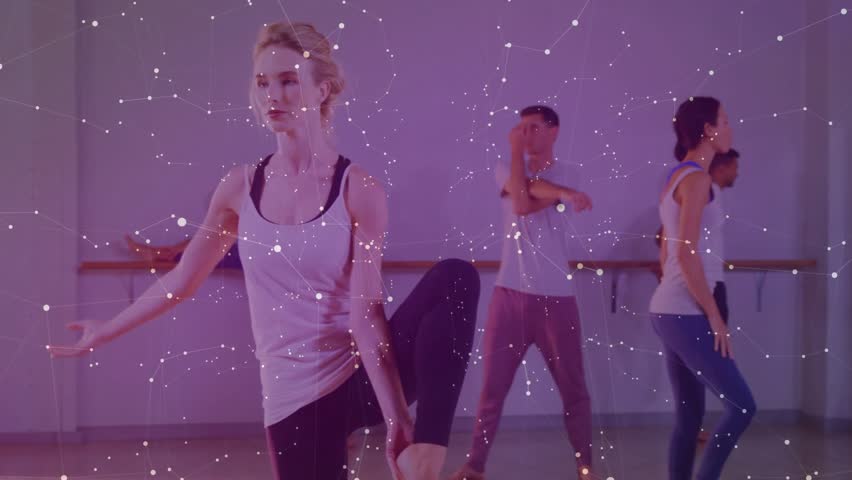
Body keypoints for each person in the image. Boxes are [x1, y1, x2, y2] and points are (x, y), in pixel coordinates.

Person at [52, 21, 481, 480]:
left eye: (288, 81)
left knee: (455, 277)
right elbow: (182, 281)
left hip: (355, 380)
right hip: (293, 399)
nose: (271, 95)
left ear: (323, 90)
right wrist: (107, 330)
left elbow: (365, 312)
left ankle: (428, 458)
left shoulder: (359, 190)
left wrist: (399, 419)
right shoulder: (238, 187)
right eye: (262, 83)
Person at [450, 105, 594, 480]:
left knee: (573, 389)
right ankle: (475, 465)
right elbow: (521, 201)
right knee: (492, 390)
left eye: (534, 128)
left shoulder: (571, 172)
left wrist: (558, 188)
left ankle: (586, 467)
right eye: (520, 128)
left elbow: (530, 195)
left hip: (557, 300)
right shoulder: (506, 168)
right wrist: (562, 191)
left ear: (554, 131)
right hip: (508, 297)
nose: (525, 135)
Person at [650, 97, 755, 480]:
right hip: (685, 310)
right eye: (725, 121)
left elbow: (666, 253)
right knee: (742, 406)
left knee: (690, 418)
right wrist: (713, 314)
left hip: (670, 307)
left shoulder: (676, 176)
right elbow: (686, 253)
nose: (729, 127)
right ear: (708, 129)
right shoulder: (697, 180)